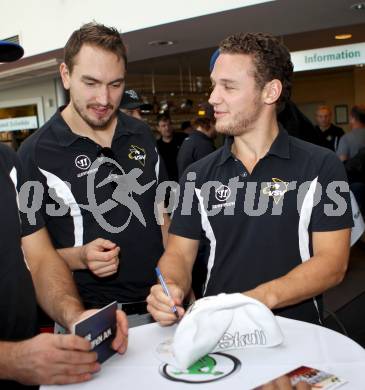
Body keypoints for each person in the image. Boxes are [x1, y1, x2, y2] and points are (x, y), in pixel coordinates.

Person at [147, 32, 353, 326]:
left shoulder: (320, 166)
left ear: (270, 92)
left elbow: (333, 263)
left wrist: (255, 301)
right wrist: (170, 286)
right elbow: (179, 253)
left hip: (297, 332)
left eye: (228, 87)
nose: (212, 98)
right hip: (218, 332)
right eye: (213, 85)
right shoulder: (198, 175)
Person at [0, 40, 128, 389]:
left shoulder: (8, 164)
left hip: (34, 374)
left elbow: (39, 259)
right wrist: (11, 359)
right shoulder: (32, 152)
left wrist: (76, 317)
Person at [18, 23, 169, 318]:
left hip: (160, 309)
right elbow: (33, 257)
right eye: (91, 83)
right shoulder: (34, 153)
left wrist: (179, 284)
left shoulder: (141, 134)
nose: (104, 99)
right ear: (66, 76)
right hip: (92, 315)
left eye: (115, 85)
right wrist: (81, 257)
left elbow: (163, 219)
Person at [156, 113, 186, 182]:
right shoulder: (157, 145)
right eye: (163, 126)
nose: (167, 128)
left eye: (169, 124)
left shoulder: (182, 139)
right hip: (165, 182)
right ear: (158, 128)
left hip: (183, 179)